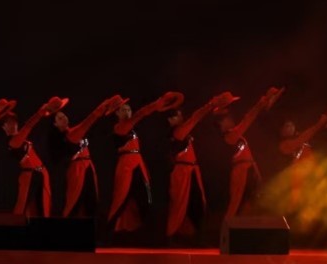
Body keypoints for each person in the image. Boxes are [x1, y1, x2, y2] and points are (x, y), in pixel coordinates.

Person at [108, 92, 180, 233]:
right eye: (123, 110)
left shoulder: (132, 128)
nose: (127, 112)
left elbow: (141, 118)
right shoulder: (119, 127)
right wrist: (156, 104)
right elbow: (140, 114)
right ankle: (109, 232)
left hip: (138, 163)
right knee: (120, 199)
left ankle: (149, 232)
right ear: (117, 113)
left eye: (128, 109)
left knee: (146, 198)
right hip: (126, 165)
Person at [165, 92, 235, 239]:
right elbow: (195, 118)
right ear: (170, 120)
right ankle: (169, 234)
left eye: (179, 114)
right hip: (182, 172)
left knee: (196, 203)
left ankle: (192, 234)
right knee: (179, 205)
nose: (181, 117)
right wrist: (210, 105)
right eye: (177, 116)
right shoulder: (177, 132)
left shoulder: (182, 131)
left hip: (191, 170)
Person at [53, 95, 123, 217]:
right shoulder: (67, 136)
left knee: (92, 202)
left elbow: (90, 127)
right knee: (73, 203)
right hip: (77, 169)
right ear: (55, 124)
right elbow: (88, 122)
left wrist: (106, 110)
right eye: (59, 118)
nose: (63, 118)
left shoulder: (74, 130)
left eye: (63, 116)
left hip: (88, 166)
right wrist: (101, 108)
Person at [221, 87, 283, 219]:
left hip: (247, 169)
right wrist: (262, 102)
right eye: (227, 118)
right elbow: (247, 119)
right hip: (240, 171)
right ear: (222, 123)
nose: (231, 119)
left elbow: (248, 119)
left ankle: (244, 225)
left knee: (249, 200)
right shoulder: (230, 136)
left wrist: (255, 171)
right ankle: (229, 227)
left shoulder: (235, 134)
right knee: (237, 202)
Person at [5, 97, 67, 217]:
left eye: (14, 122)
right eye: (9, 123)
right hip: (29, 175)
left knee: (42, 207)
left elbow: (27, 127)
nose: (13, 125)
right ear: (4, 127)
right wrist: (41, 112)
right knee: (22, 207)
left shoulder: (20, 138)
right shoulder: (12, 142)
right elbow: (28, 126)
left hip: (40, 174)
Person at [278, 103, 327, 212]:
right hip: (297, 181)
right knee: (299, 205)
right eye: (286, 126)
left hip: (312, 175)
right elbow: (304, 138)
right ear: (281, 132)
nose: (290, 127)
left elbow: (314, 135)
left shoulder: (300, 136)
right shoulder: (283, 145)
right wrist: (320, 123)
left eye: (291, 125)